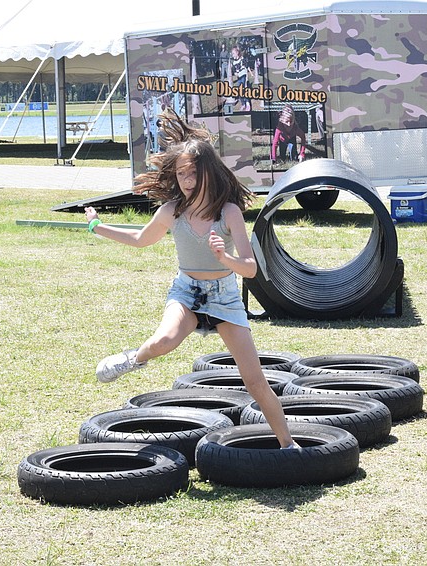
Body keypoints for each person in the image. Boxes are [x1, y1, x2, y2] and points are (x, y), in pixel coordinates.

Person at [84, 109, 299, 449]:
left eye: (192, 173)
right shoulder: (172, 211)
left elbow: (250, 268)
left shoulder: (228, 212)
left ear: (209, 173)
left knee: (255, 381)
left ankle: (289, 446)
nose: (186, 180)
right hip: (187, 291)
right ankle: (133, 359)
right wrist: (98, 227)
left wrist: (224, 257)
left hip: (225, 295)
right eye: (181, 173)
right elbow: (141, 239)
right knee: (163, 341)